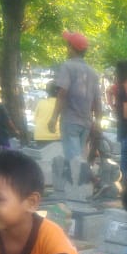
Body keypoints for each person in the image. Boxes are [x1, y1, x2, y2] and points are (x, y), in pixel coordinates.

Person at [48, 31, 102, 189]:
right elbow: (97, 101)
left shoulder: (67, 66)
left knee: (74, 160)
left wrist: (53, 117)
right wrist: (97, 123)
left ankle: (90, 181)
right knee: (80, 157)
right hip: (85, 122)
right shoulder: (93, 72)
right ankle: (82, 186)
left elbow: (62, 94)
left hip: (70, 120)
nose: (66, 48)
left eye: (68, 45)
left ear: (71, 48)